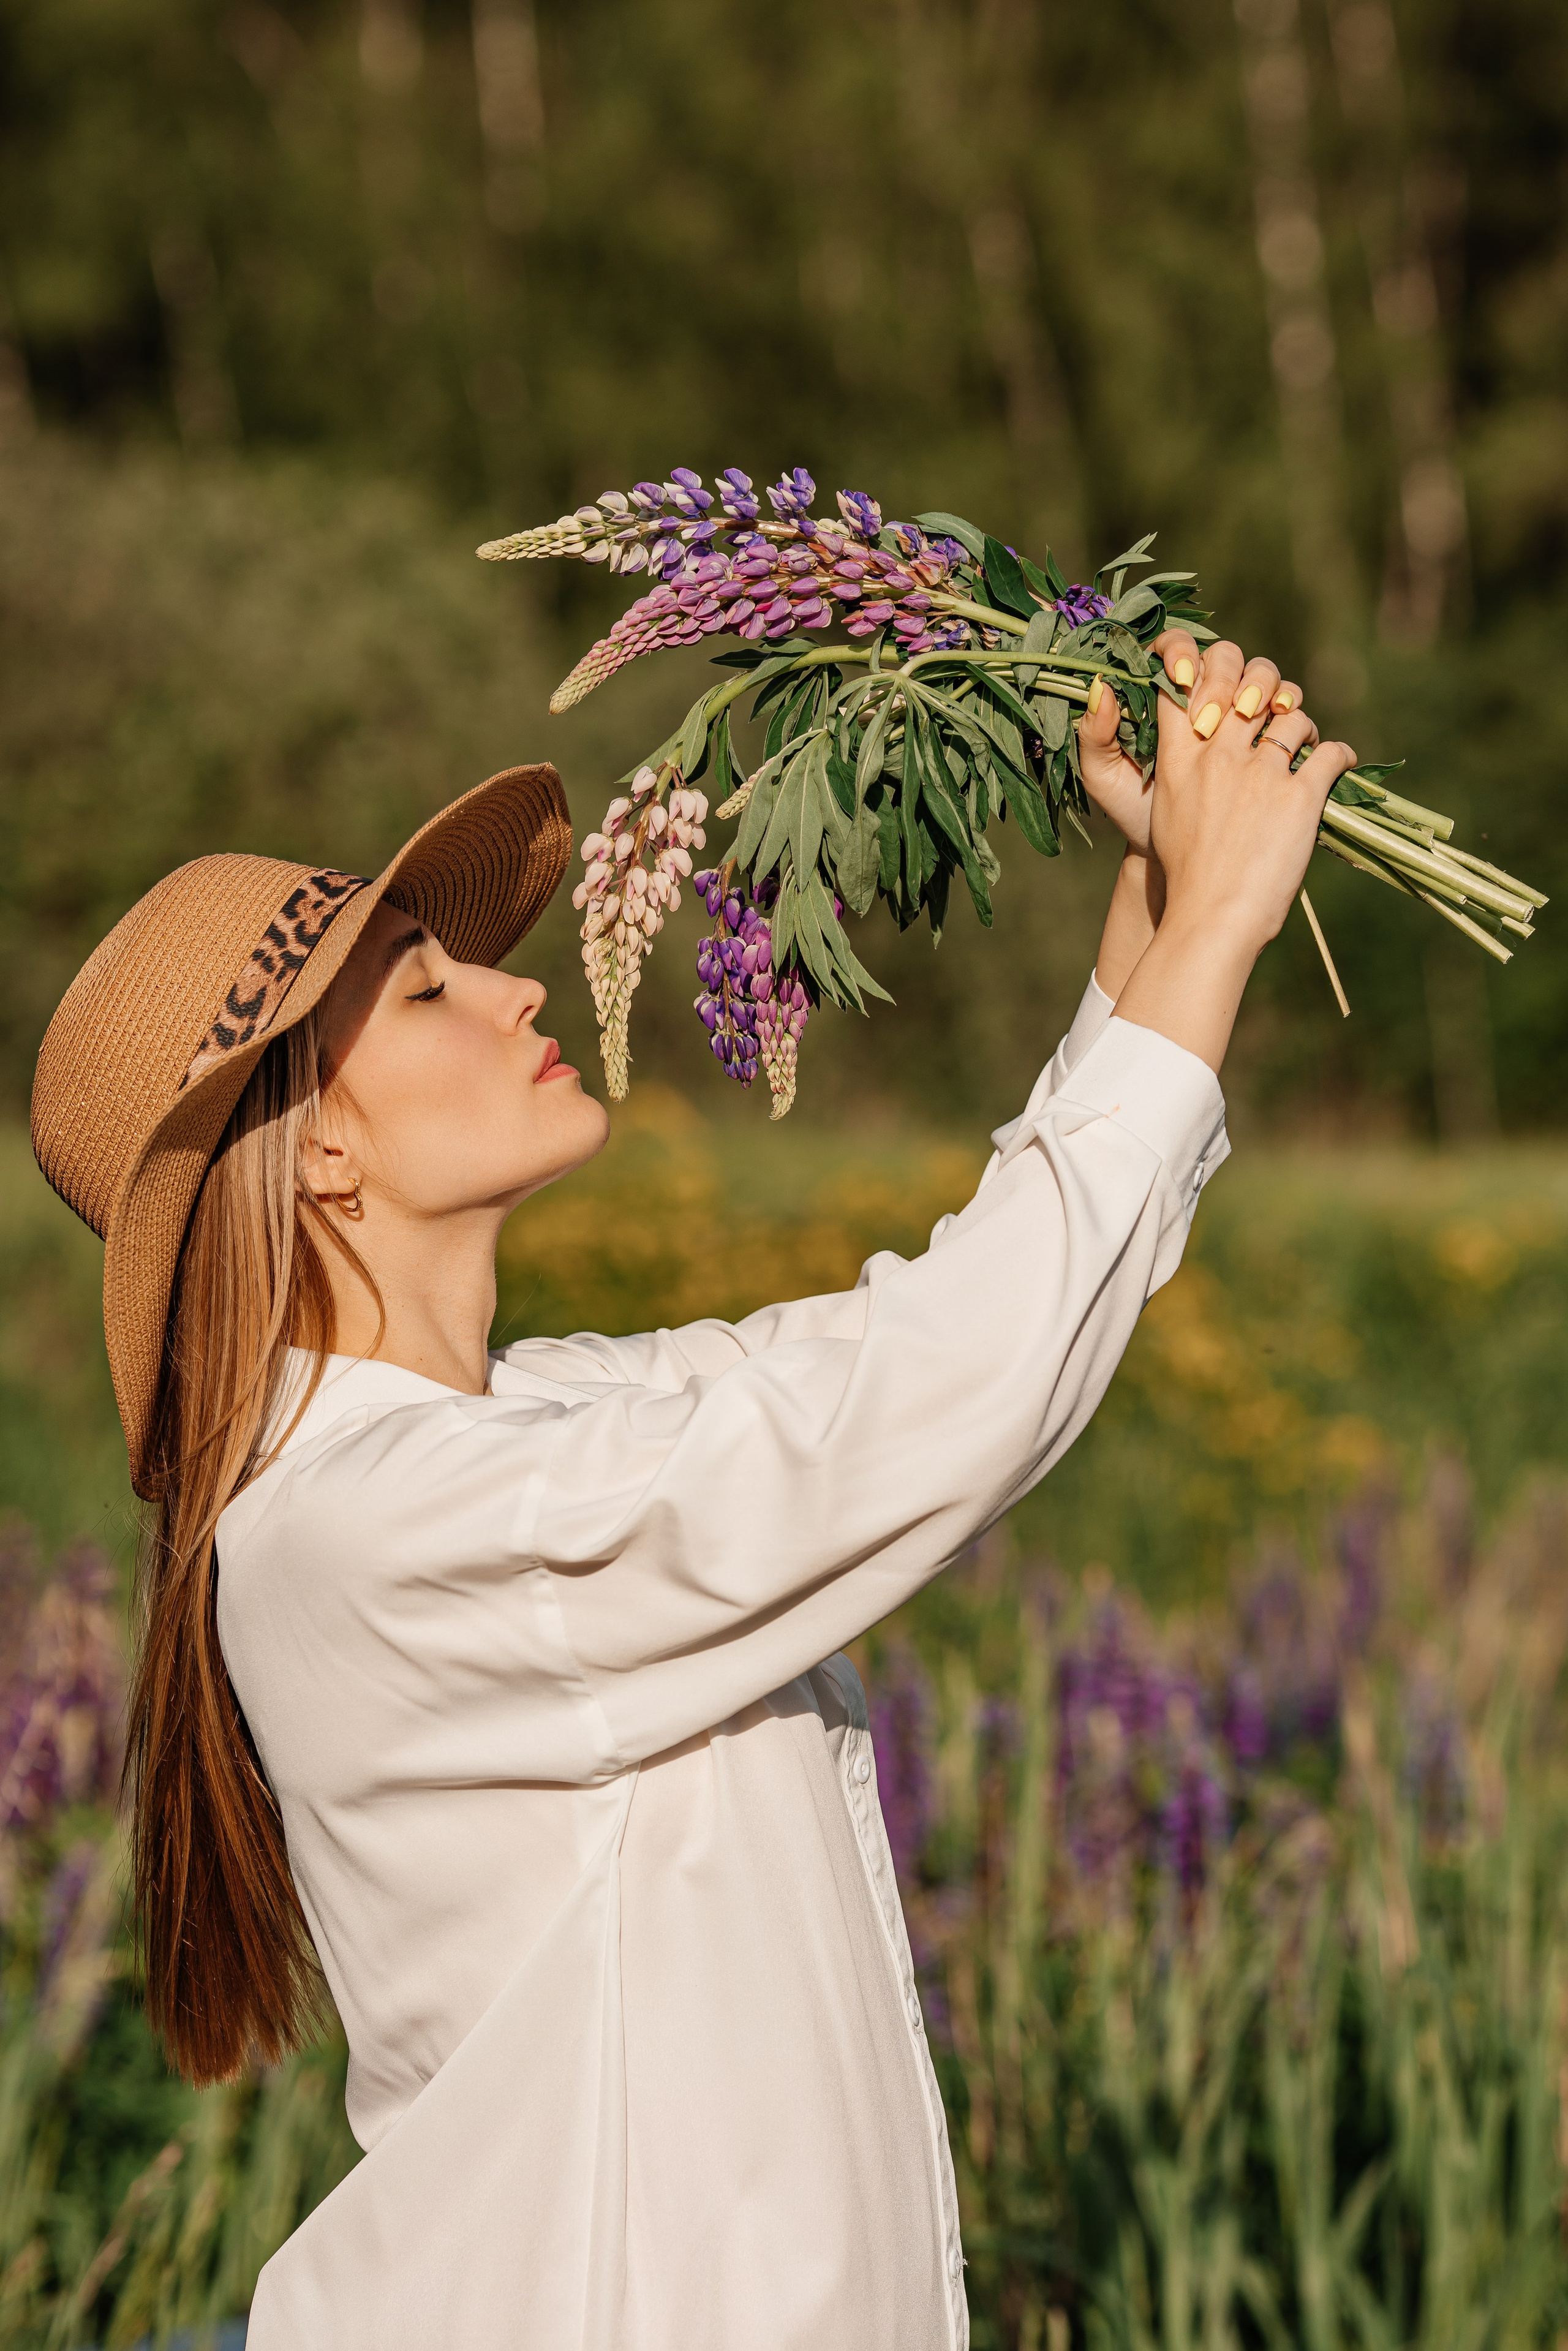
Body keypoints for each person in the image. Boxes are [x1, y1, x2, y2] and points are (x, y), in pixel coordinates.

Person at [31, 628, 1351, 2351]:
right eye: (428, 991)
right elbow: (928, 1403)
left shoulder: (524, 1424)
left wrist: (1161, 906)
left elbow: (925, 1337)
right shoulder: (380, 1529)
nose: (519, 990)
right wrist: (1225, 935)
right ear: (323, 1150)